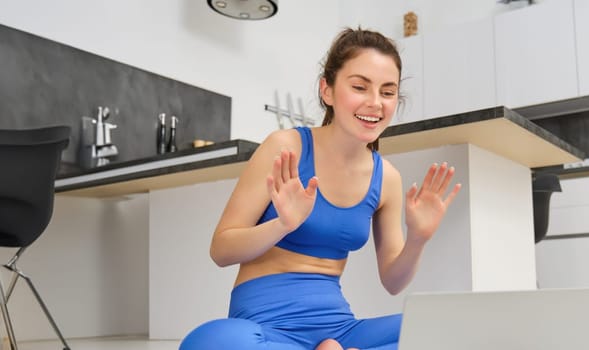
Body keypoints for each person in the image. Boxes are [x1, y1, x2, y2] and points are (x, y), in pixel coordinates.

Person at [179, 28, 461, 350]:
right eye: (359, 87)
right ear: (326, 90)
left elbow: (393, 282)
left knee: (441, 330)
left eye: (387, 92)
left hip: (337, 329)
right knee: (209, 343)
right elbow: (221, 250)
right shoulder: (286, 148)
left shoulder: (387, 179)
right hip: (264, 329)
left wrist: (418, 239)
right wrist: (283, 224)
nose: (374, 102)